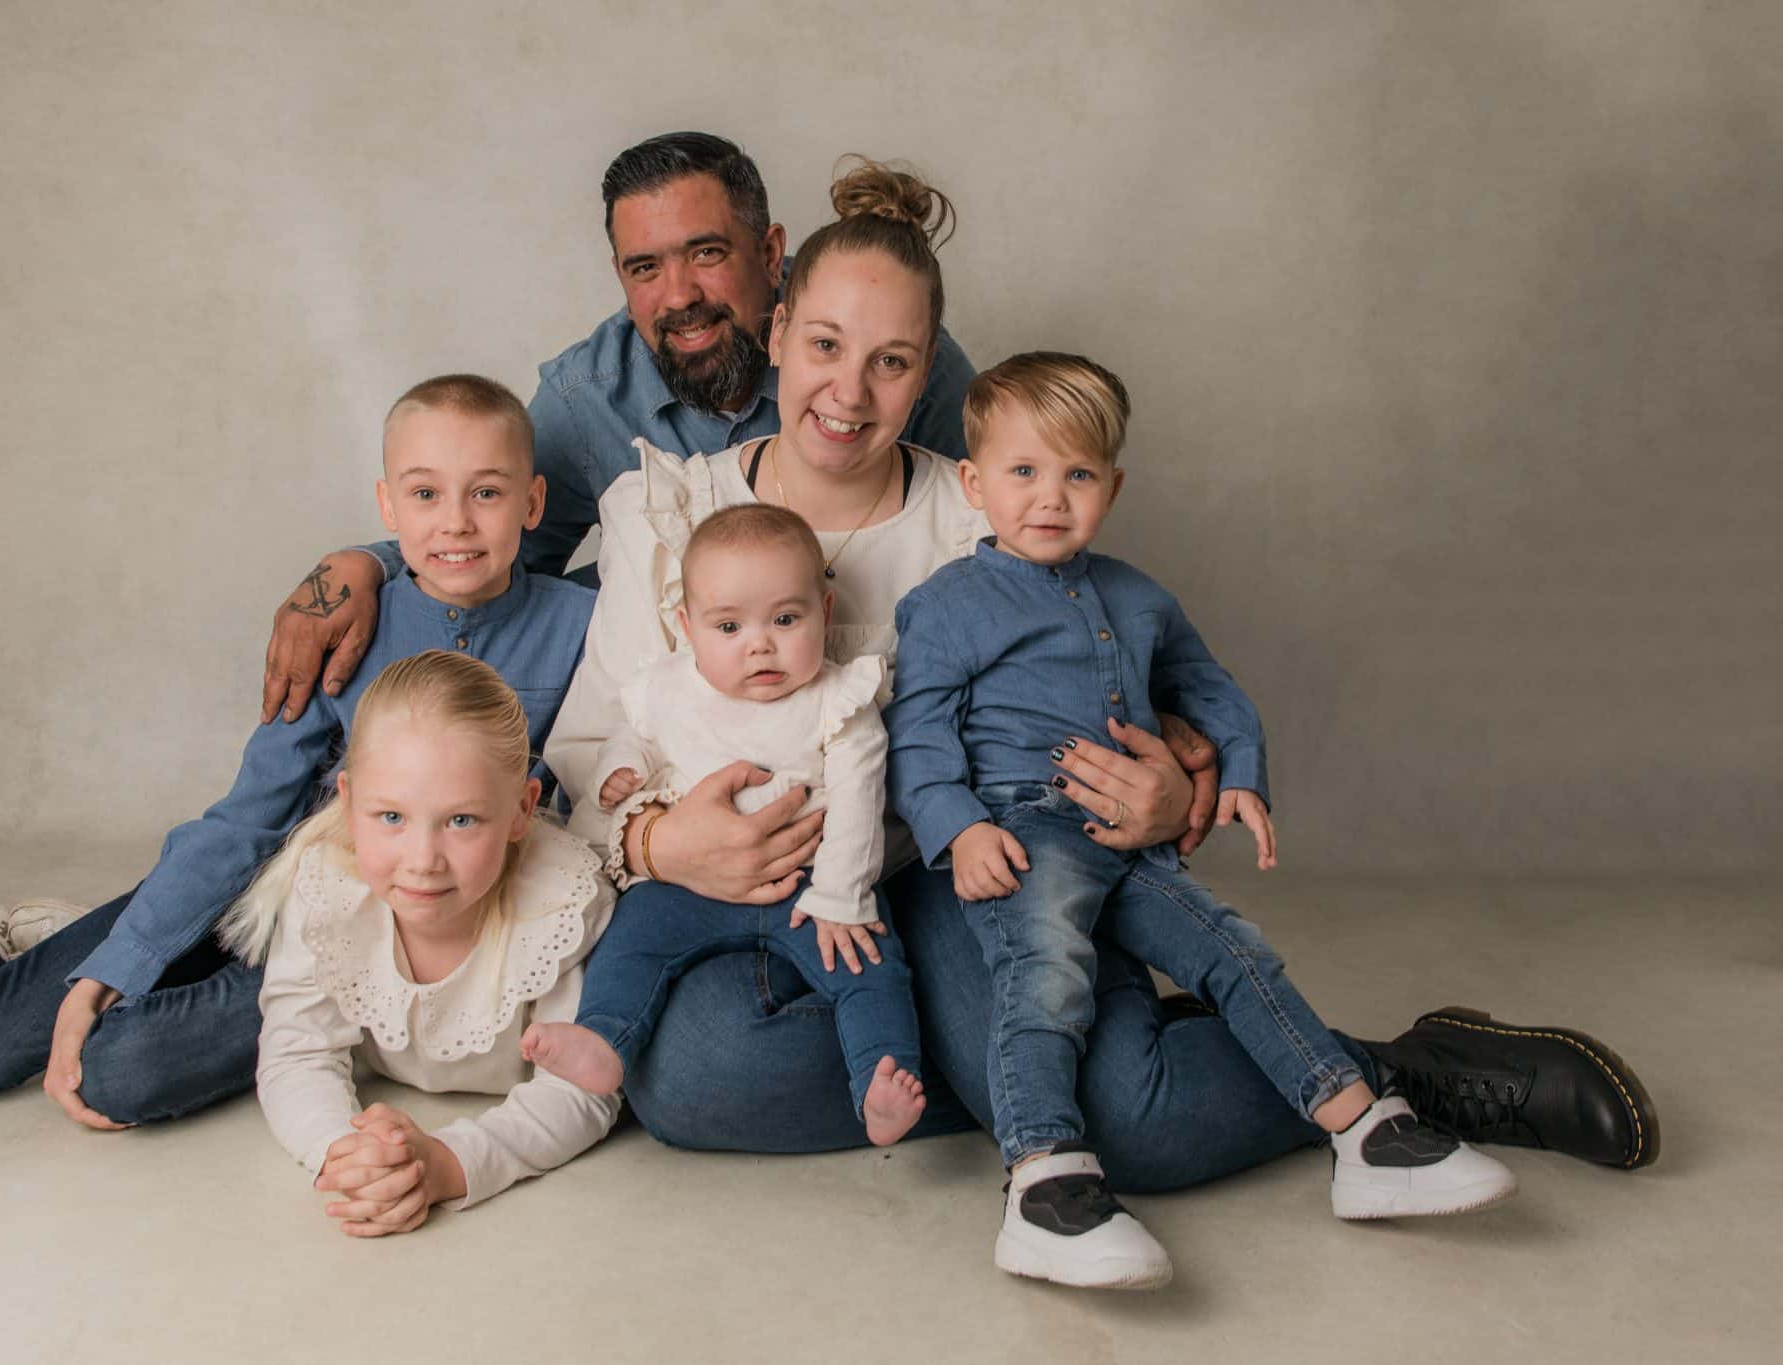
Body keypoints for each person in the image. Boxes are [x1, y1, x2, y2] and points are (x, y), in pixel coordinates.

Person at [539, 156, 1657, 1201]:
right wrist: (656, 842)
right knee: (693, 1079)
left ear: (928, 370)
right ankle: (1018, 1073)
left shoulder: (978, 516)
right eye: (824, 344)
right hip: (749, 900)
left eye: (891, 360)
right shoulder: (664, 512)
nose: (849, 391)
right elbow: (581, 763)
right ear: (778, 330)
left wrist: (1163, 789)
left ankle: (1396, 1068)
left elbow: (1103, 688)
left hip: (957, 875)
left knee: (1139, 1123)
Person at [0, 375, 596, 1129]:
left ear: (531, 503)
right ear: (387, 505)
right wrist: (117, 964)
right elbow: (245, 820)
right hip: (268, 903)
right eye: (425, 493)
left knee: (117, 1070)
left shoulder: (580, 627)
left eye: (486, 493)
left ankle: (77, 944)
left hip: (388, 940)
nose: (454, 522)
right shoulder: (349, 625)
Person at [886, 352, 1521, 1289]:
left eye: (1078, 475)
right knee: (1047, 973)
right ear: (975, 483)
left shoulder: (1140, 598)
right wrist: (958, 829)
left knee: (1235, 947)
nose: (1050, 498)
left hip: (1130, 841)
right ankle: (1044, 1180)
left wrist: (1241, 778)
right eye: (1023, 472)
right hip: (1024, 834)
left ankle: (1363, 1132)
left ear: (1114, 484)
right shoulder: (945, 605)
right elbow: (917, 734)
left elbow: (1208, 691)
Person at [258, 131, 981, 726]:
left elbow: (986, 524)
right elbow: (488, 543)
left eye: (706, 252)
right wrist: (367, 563)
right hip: (654, 715)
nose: (679, 296)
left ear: (769, 254)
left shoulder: (894, 344)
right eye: (645, 268)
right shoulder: (585, 400)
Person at [521, 504, 927, 1147]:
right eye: (729, 625)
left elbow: (857, 805)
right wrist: (620, 771)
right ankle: (604, 1038)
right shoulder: (669, 688)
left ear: (826, 611)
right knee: (630, 940)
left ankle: (883, 1082)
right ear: (687, 627)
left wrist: (841, 898)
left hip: (809, 890)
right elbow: (634, 736)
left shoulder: (838, 700)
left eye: (786, 619)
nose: (759, 643)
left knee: (871, 964)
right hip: (689, 888)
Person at [220, 651, 617, 1237]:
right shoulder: (330, 888)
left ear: (522, 809)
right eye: (391, 817)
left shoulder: (564, 901)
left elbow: (584, 1089)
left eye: (461, 821)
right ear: (350, 801)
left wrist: (449, 1165)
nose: (423, 861)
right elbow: (298, 1054)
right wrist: (348, 1156)